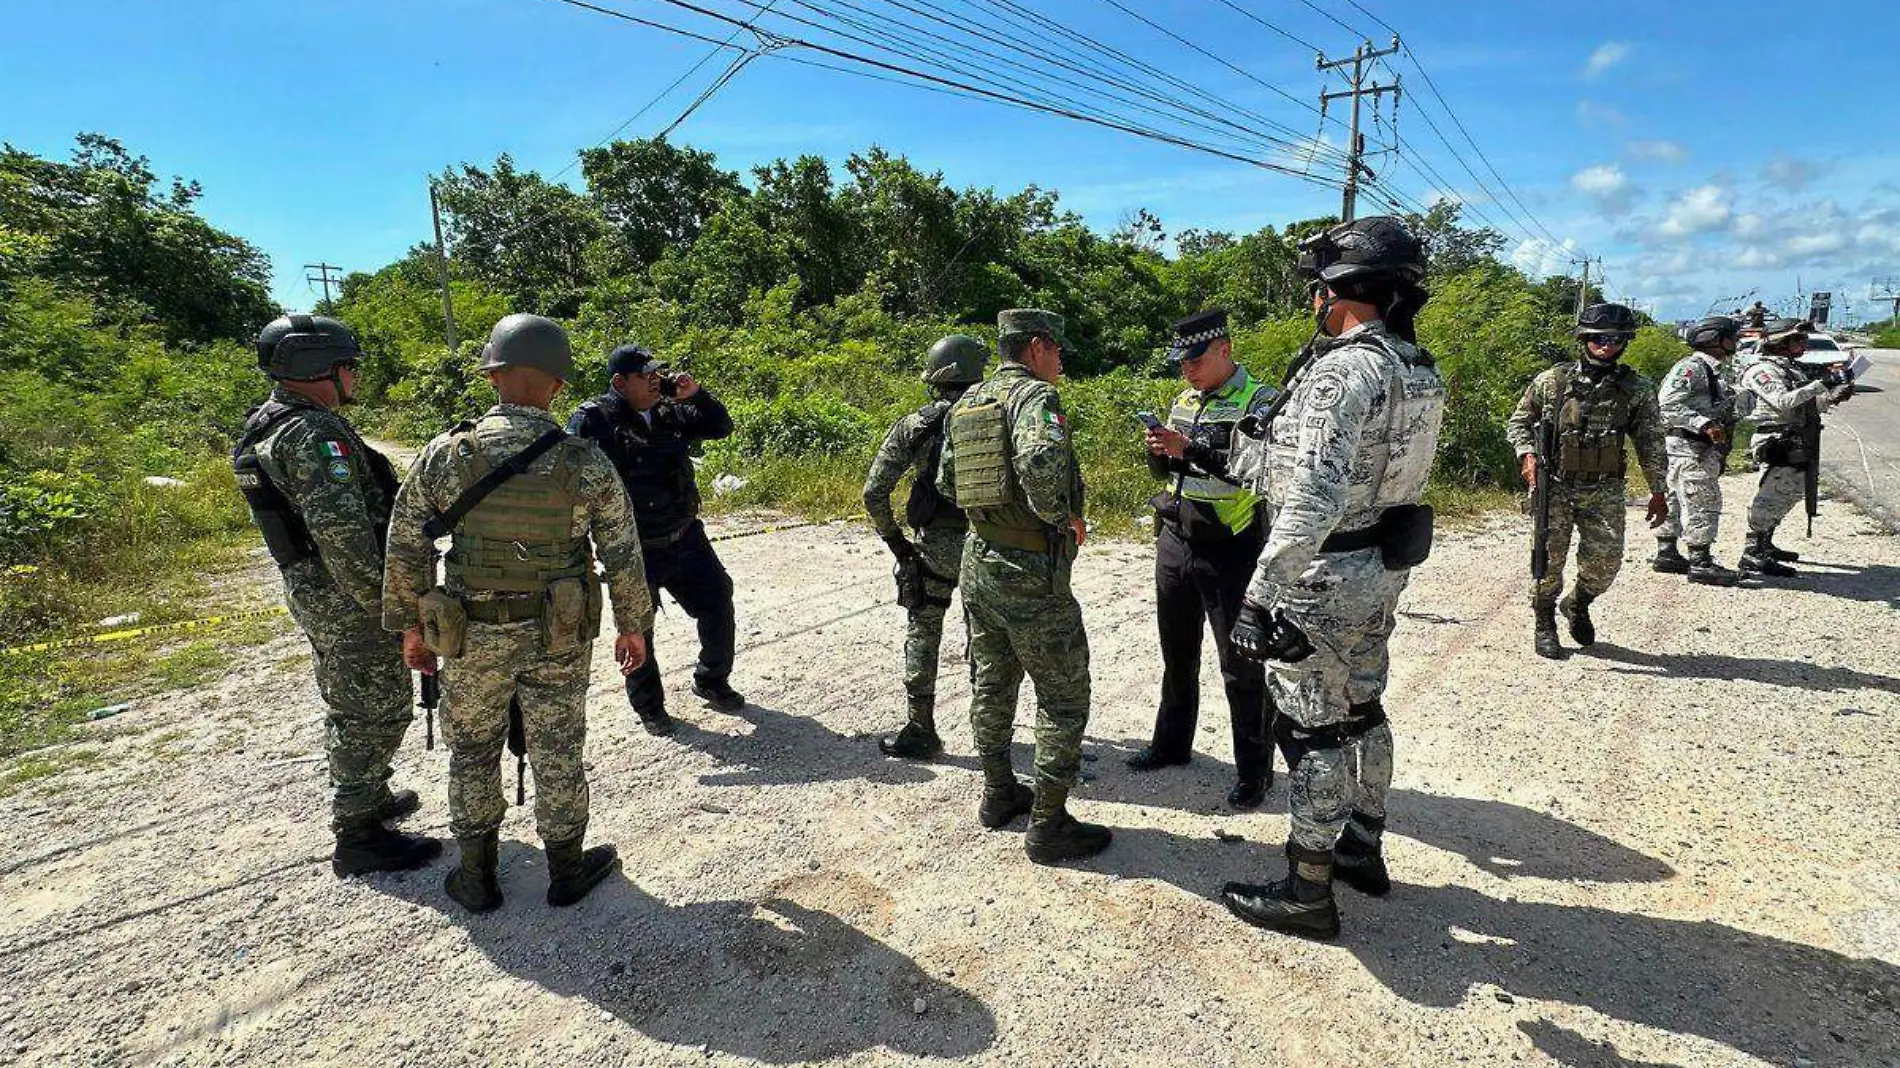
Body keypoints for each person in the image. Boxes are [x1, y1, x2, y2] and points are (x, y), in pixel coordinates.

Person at [1214, 216, 1445, 941]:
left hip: (1323, 572)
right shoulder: (1416, 365)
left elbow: (1312, 497)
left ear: (1337, 291)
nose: (1313, 301)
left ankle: (1307, 889)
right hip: (1380, 564)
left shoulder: (1343, 369)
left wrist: (1260, 596)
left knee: (1314, 727)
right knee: (1364, 706)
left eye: (1318, 288)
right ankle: (1363, 845)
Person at [383, 314, 654, 913]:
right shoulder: (584, 461)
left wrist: (410, 628)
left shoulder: (443, 455)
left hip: (470, 633)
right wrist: (633, 625)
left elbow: (407, 546)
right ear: (558, 385)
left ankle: (477, 876)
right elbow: (622, 550)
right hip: (557, 633)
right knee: (558, 747)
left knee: (473, 749)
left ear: (493, 376)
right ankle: (565, 870)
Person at [233, 314, 440, 878]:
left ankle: (368, 797)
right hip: (347, 598)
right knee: (374, 706)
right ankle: (358, 832)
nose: (353, 375)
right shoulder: (313, 436)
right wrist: (399, 615)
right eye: (347, 365)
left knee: (351, 698)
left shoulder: (268, 423)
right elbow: (345, 538)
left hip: (318, 590)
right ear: (319, 367)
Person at [936, 309, 1111, 865]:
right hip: (1029, 568)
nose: (1060, 360)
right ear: (1036, 347)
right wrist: (1061, 517)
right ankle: (1049, 824)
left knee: (991, 681)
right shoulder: (1035, 399)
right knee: (1063, 697)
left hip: (978, 558)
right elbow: (1040, 460)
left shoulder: (970, 401)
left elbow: (945, 480)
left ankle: (998, 795)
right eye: (1056, 349)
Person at [1127, 308, 1277, 809]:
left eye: (1194, 360)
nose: (1186, 370)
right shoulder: (1184, 400)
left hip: (1232, 546)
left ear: (1224, 350)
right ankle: (1171, 746)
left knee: (1240, 664)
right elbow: (1166, 471)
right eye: (1180, 362)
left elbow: (1259, 474)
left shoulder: (1261, 402)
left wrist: (1189, 450)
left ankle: (1255, 772)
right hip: (1177, 536)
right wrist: (1160, 450)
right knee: (1177, 652)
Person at [567, 345, 742, 735]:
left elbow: (719, 427)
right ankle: (650, 706)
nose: (654, 379)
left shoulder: (669, 409)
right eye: (644, 375)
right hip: (630, 545)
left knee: (717, 598)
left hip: (683, 534)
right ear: (619, 382)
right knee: (637, 627)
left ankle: (711, 678)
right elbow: (568, 479)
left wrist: (695, 395)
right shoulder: (593, 420)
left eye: (655, 373)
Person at [1505, 303, 1669, 660]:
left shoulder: (1636, 388)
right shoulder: (1552, 381)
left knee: (1605, 566)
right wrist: (1527, 455)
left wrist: (1658, 489)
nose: (1607, 346)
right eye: (1599, 338)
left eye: (1615, 339)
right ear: (1584, 338)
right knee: (1547, 563)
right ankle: (1544, 620)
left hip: (1605, 488)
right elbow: (1519, 421)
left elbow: (1651, 440)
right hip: (1557, 485)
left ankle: (1577, 604)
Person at [863, 334, 988, 759]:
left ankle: (920, 727)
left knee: (923, 631)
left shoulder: (916, 425)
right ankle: (991, 733)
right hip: (987, 545)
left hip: (933, 546)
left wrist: (899, 547)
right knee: (987, 640)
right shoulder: (997, 419)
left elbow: (873, 493)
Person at [1737, 318, 1854, 576]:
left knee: (1788, 493)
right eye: (1798, 339)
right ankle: (1752, 552)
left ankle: (1765, 543)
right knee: (1771, 495)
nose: (1804, 344)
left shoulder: (1791, 370)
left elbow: (1808, 404)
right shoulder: (1762, 370)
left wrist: (1833, 395)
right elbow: (1783, 401)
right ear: (1780, 342)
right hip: (1775, 438)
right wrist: (1822, 383)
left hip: (1796, 436)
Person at [1653, 316, 1745, 586]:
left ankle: (1667, 552)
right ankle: (1700, 562)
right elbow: (1667, 405)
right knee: (1703, 500)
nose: (1735, 341)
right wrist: (1704, 424)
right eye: (1731, 336)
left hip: (1693, 447)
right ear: (1715, 339)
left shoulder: (1713, 369)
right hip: (1691, 446)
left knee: (1676, 498)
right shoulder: (1692, 367)